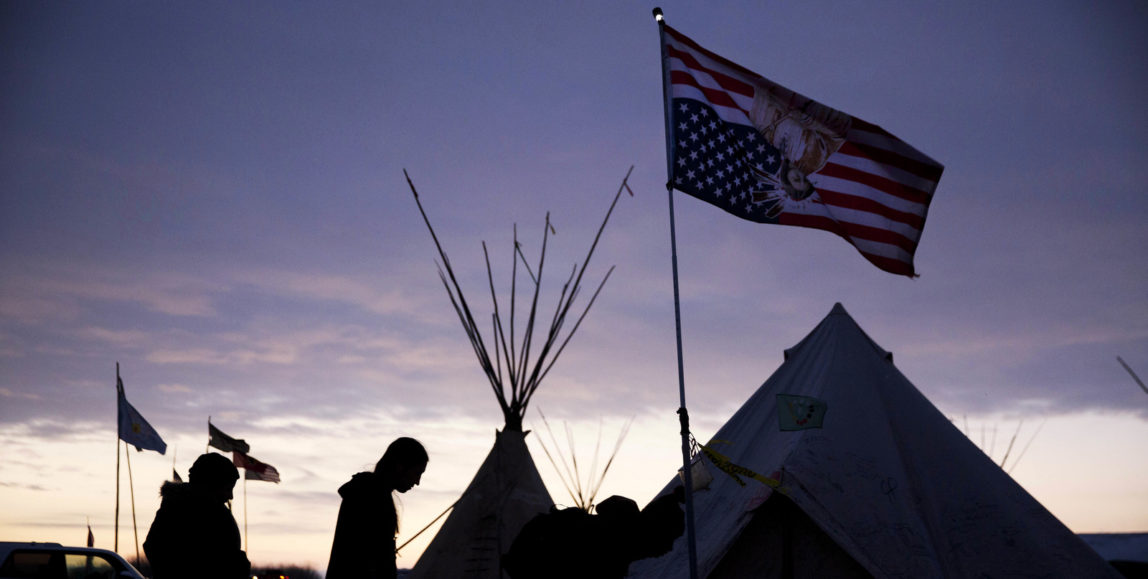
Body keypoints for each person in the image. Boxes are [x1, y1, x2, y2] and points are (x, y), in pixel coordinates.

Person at [326, 437, 428, 579]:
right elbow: (366, 561)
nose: (417, 482)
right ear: (400, 466)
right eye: (417, 473)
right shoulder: (370, 497)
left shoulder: (370, 493)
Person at [143, 452, 251, 579]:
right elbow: (155, 548)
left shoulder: (215, 511)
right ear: (212, 485)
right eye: (228, 488)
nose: (230, 496)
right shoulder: (179, 510)